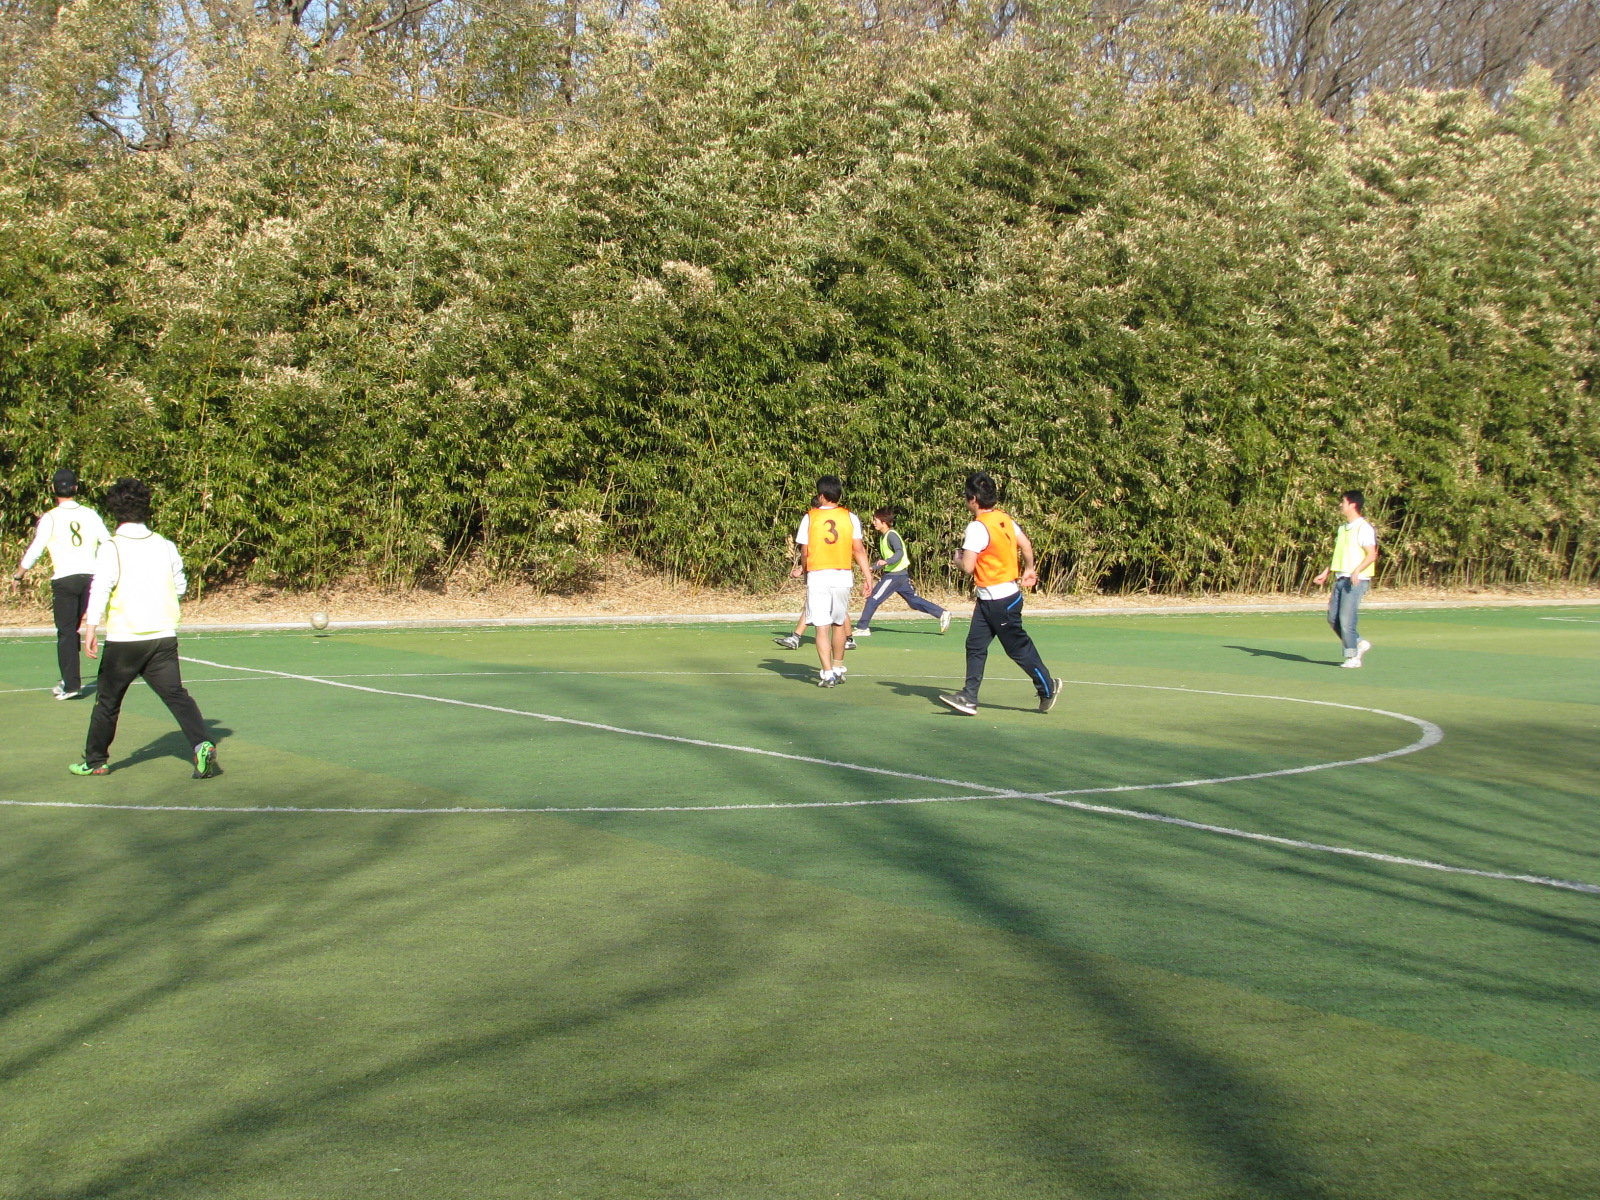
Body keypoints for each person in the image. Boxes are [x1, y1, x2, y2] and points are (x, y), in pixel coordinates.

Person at [70, 477, 220, 778]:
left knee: (108, 701)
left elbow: (101, 587)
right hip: (163, 636)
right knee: (177, 696)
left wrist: (91, 626)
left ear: (114, 510)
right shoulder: (165, 545)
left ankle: (95, 760)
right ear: (146, 508)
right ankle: (201, 743)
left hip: (125, 638)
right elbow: (179, 586)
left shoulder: (112, 547)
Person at [938, 472, 1060, 715]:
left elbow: (968, 566)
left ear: (973, 498)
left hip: (1000, 601)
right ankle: (969, 697)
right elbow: (1026, 545)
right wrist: (1029, 569)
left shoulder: (977, 527)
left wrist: (957, 559)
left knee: (1018, 648)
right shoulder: (1004, 518)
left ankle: (1048, 687)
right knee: (975, 645)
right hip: (990, 599)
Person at [10, 468, 110, 700]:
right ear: (76, 488)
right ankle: (69, 679)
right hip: (90, 578)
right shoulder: (90, 514)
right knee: (73, 629)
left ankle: (71, 684)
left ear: (54, 490)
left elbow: (36, 549)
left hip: (65, 580)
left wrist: (19, 574)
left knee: (66, 632)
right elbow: (107, 542)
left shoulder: (51, 517)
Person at [789, 475, 872, 687]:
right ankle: (838, 666)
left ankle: (827, 674)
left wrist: (805, 571)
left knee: (821, 627)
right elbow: (858, 550)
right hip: (842, 575)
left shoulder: (810, 517)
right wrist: (868, 576)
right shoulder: (850, 517)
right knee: (838, 623)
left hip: (818, 575)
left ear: (821, 495)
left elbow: (805, 552)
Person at [854, 507, 951, 638]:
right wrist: (874, 567)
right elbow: (886, 559)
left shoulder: (891, 535)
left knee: (873, 598)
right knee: (913, 602)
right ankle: (942, 613)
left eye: (876, 520)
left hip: (894, 576)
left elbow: (899, 553)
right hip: (900, 575)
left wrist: (887, 561)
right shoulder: (884, 537)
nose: (873, 522)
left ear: (884, 522)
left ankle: (862, 627)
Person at [1312, 489, 1378, 668]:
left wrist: (1357, 571)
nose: (1341, 505)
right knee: (1333, 618)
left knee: (1347, 620)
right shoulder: (1342, 529)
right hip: (1341, 579)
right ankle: (1358, 642)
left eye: (1344, 502)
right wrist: (1326, 572)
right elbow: (1338, 554)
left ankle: (1352, 657)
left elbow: (1371, 555)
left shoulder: (1364, 528)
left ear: (1352, 504)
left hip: (1356, 581)